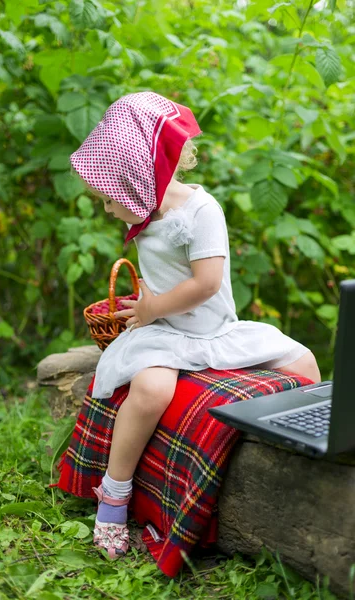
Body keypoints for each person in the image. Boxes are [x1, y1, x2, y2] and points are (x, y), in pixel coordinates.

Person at [69, 91, 321, 559]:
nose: (107, 209)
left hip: (215, 329)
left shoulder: (202, 213)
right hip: (168, 334)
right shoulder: (146, 215)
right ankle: (114, 493)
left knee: (302, 361)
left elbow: (206, 284)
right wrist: (144, 303)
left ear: (139, 179)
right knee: (150, 390)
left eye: (109, 198)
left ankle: (296, 456)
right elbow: (163, 274)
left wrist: (151, 307)